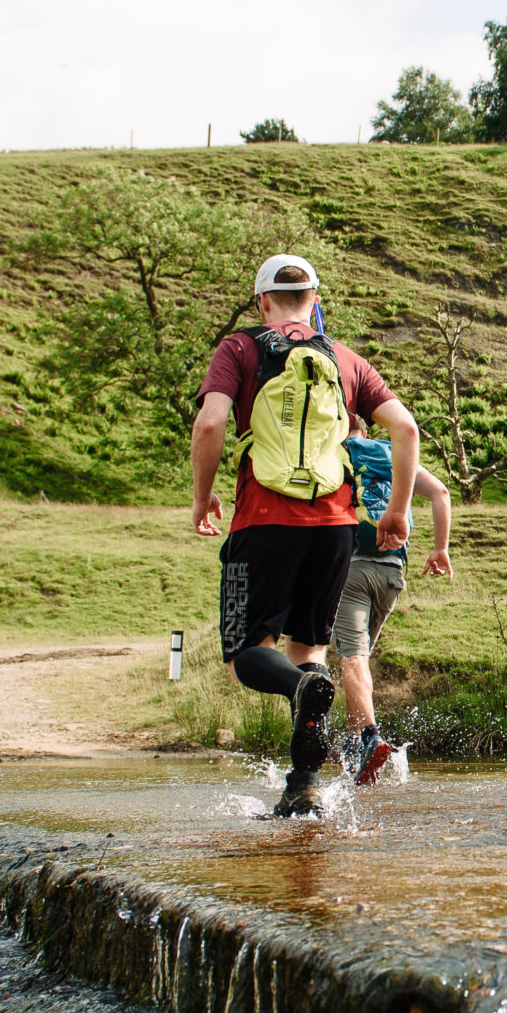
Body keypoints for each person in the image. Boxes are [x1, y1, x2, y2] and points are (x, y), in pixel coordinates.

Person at [190, 255, 421, 817]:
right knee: (310, 652)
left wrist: (203, 496)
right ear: (314, 301)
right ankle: (302, 784)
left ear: (262, 302)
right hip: (337, 530)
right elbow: (407, 429)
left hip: (263, 523)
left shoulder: (240, 349)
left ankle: (297, 695)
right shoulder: (345, 359)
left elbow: (211, 422)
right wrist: (396, 513)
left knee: (249, 653)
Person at [336, 412, 453, 782]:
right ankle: (357, 749)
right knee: (359, 660)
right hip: (392, 572)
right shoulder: (394, 453)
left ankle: (370, 736)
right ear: (366, 428)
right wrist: (440, 549)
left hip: (350, 569)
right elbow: (441, 493)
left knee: (351, 659)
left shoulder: (336, 453)